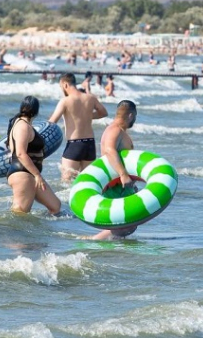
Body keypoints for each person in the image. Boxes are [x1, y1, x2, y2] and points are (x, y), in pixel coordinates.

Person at [87, 100, 141, 240]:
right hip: (115, 185)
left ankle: (112, 251)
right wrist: (123, 174)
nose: (134, 119)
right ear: (130, 115)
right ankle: (94, 240)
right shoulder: (115, 130)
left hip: (119, 185)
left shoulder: (116, 130)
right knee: (128, 224)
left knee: (127, 223)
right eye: (135, 116)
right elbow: (110, 150)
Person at [48, 73, 109, 182]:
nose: (62, 89)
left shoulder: (65, 101)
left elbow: (52, 122)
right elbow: (103, 113)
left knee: (67, 183)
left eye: (61, 86)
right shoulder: (90, 98)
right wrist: (88, 116)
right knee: (86, 181)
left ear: (65, 84)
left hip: (74, 145)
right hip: (90, 145)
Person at [6, 96, 61, 214]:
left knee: (55, 206)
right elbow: (20, 153)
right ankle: (7, 232)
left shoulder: (23, 124)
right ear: (36, 111)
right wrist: (37, 175)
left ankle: (41, 231)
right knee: (20, 214)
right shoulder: (22, 126)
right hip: (23, 174)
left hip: (30, 174)